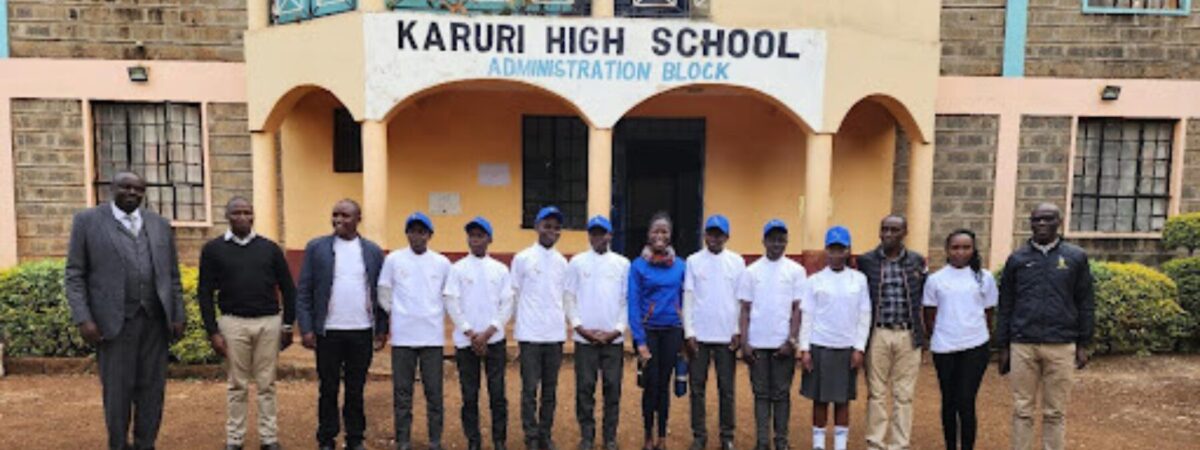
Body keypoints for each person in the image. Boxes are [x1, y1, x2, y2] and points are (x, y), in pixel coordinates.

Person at [66, 171, 186, 450]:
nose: (132, 192)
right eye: (126, 187)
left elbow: (172, 274)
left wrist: (177, 314)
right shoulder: (88, 221)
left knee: (152, 390)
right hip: (113, 324)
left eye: (139, 189)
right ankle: (118, 444)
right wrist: (83, 318)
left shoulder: (159, 224)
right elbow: (74, 274)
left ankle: (146, 443)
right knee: (118, 392)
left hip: (155, 322)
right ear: (112, 189)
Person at [198, 196, 297, 450]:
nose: (243, 217)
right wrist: (213, 331)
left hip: (268, 323)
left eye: (247, 212)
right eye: (237, 213)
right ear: (227, 216)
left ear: (253, 216)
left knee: (267, 384)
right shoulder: (213, 250)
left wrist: (287, 325)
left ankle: (268, 437)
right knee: (237, 384)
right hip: (233, 324)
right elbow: (205, 292)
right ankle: (235, 438)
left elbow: (288, 287)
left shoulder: (270, 249)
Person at [996, 203, 1094, 450]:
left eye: (1047, 219)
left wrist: (1083, 343)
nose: (1041, 224)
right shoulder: (1017, 259)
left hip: (1061, 345)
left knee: (1055, 412)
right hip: (1023, 344)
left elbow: (1085, 301)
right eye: (1036, 220)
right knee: (1022, 409)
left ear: (1059, 222)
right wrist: (1003, 346)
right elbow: (1006, 303)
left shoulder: (1075, 257)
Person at [295, 199, 388, 450]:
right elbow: (304, 291)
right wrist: (306, 328)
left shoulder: (372, 251)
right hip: (328, 332)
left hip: (361, 331)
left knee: (356, 389)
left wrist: (381, 330)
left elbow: (381, 293)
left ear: (359, 219)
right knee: (328, 388)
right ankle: (326, 438)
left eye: (345, 216)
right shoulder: (317, 248)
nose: (339, 220)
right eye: (335, 215)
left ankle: (355, 438)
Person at [380, 212, 452, 450]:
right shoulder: (394, 260)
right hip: (403, 337)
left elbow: (448, 295)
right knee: (402, 393)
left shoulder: (441, 263)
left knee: (434, 392)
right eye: (412, 231)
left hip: (431, 337)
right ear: (407, 233)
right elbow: (384, 291)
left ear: (429, 235)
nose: (417, 236)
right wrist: (399, 313)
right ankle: (403, 440)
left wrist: (433, 313)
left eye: (422, 231)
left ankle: (435, 440)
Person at [855, 215, 928, 450]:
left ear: (904, 232)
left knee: (904, 394)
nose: (888, 234)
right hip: (877, 333)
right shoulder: (867, 261)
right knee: (876, 393)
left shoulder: (917, 261)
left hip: (908, 334)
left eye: (894, 230)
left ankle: (899, 444)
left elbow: (925, 298)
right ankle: (875, 443)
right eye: (884, 229)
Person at [922, 229, 998, 450]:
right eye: (955, 247)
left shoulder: (985, 278)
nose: (960, 252)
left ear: (973, 250)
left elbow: (989, 313)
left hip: (975, 347)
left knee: (966, 401)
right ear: (947, 250)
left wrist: (981, 335)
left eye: (966, 247)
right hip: (944, 347)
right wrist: (940, 335)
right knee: (949, 401)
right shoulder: (935, 280)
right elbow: (929, 315)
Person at [798, 226, 872, 450]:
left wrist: (859, 348)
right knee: (819, 399)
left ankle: (840, 445)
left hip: (846, 348)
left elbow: (864, 315)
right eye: (832, 249)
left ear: (848, 251)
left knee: (842, 399)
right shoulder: (815, 281)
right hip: (820, 346)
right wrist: (805, 349)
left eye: (841, 249)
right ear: (826, 250)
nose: (836, 254)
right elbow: (807, 316)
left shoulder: (859, 280)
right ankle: (818, 444)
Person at [445, 216, 514, 450]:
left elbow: (507, 304)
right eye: (472, 235)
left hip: (494, 340)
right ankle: (473, 441)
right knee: (469, 395)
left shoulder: (501, 270)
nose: (475, 240)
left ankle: (499, 441)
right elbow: (451, 302)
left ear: (489, 239)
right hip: (466, 342)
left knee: (497, 394)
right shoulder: (457, 269)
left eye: (480, 235)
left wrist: (488, 332)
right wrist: (470, 332)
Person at [737, 219, 805, 450]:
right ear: (764, 241)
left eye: (781, 239)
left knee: (781, 394)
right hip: (757, 343)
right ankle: (762, 442)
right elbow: (745, 309)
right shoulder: (751, 271)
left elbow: (798, 309)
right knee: (761, 394)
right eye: (772, 239)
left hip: (782, 344)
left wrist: (792, 340)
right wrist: (744, 343)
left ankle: (781, 442)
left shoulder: (796, 271)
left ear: (786, 241)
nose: (777, 244)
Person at [565, 215, 630, 450]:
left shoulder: (623, 264)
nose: (597, 237)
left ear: (610, 235)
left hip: (614, 340)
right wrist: (580, 327)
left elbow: (626, 301)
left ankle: (610, 437)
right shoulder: (577, 262)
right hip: (585, 339)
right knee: (585, 388)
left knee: (612, 388)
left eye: (602, 233)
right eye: (593, 233)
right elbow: (569, 298)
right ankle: (587, 436)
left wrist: (617, 330)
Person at [683, 215, 745, 450]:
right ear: (705, 235)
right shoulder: (693, 261)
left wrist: (737, 329)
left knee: (726, 389)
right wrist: (689, 332)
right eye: (711, 233)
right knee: (697, 388)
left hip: (726, 336)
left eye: (719, 234)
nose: (714, 238)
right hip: (699, 336)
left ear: (726, 237)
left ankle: (727, 435)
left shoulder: (737, 262)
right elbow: (688, 297)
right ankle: (699, 436)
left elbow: (740, 299)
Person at [511, 206, 570, 450]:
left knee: (550, 389)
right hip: (530, 334)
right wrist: (520, 325)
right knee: (529, 388)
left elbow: (564, 297)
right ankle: (531, 435)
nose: (551, 231)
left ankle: (545, 433)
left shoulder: (562, 262)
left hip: (554, 334)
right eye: (547, 226)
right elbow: (514, 295)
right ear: (537, 227)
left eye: (556, 228)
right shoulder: (523, 258)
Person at [628, 212, 687, 450]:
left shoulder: (681, 266)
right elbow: (633, 303)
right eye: (656, 231)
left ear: (670, 236)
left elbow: (686, 300)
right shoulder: (638, 266)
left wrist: (685, 333)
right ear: (648, 235)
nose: (660, 235)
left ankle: (662, 436)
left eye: (664, 231)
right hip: (649, 332)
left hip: (672, 331)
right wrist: (639, 341)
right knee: (650, 386)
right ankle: (647, 435)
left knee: (664, 385)